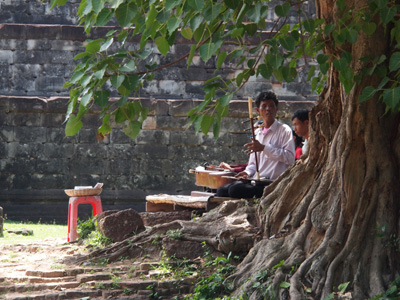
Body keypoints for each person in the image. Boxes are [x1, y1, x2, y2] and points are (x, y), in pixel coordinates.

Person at [216, 91, 295, 199]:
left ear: (277, 109)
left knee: (234, 190)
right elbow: (253, 163)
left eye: (271, 106)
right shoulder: (257, 132)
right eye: (264, 106)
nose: (268, 109)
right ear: (258, 110)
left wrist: (264, 148)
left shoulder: (284, 130)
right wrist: (246, 173)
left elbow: (290, 158)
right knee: (221, 190)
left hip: (273, 184)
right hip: (257, 181)